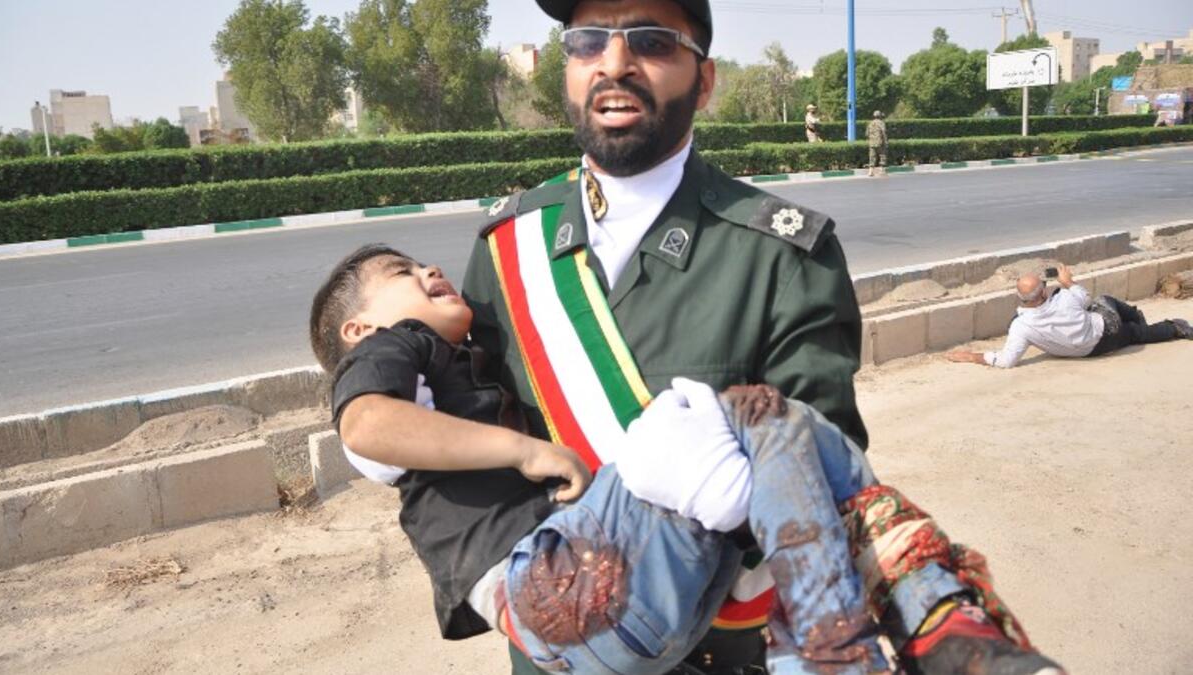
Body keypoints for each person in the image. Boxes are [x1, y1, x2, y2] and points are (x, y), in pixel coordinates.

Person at [462, 1, 1056, 672]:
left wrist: (728, 494)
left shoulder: (784, 255)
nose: (615, 62)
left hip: (715, 652)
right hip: (554, 651)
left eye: (652, 42)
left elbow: (824, 482)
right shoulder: (510, 247)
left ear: (705, 81)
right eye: (589, 40)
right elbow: (467, 459)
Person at [310, 245, 1064, 675]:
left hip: (621, 635)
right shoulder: (395, 352)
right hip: (553, 586)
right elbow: (369, 425)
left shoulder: (460, 363)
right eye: (405, 272)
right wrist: (527, 447)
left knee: (785, 432)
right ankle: (927, 604)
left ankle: (850, 634)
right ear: (358, 328)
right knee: (739, 414)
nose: (432, 269)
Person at [947, 264, 1193, 368]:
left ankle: (1169, 328)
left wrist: (970, 356)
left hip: (1088, 352)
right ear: (1044, 291)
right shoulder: (1064, 297)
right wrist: (1067, 281)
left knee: (1131, 334)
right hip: (1105, 331)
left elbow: (1006, 360)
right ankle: (1142, 319)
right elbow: (1085, 298)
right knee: (1105, 301)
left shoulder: (1021, 326)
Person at [866, 111, 888, 177]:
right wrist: (885, 141)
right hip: (880, 142)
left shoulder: (870, 123)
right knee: (882, 155)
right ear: (880, 116)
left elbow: (867, 133)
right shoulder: (881, 123)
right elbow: (884, 132)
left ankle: (871, 172)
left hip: (872, 142)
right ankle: (882, 171)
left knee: (872, 156)